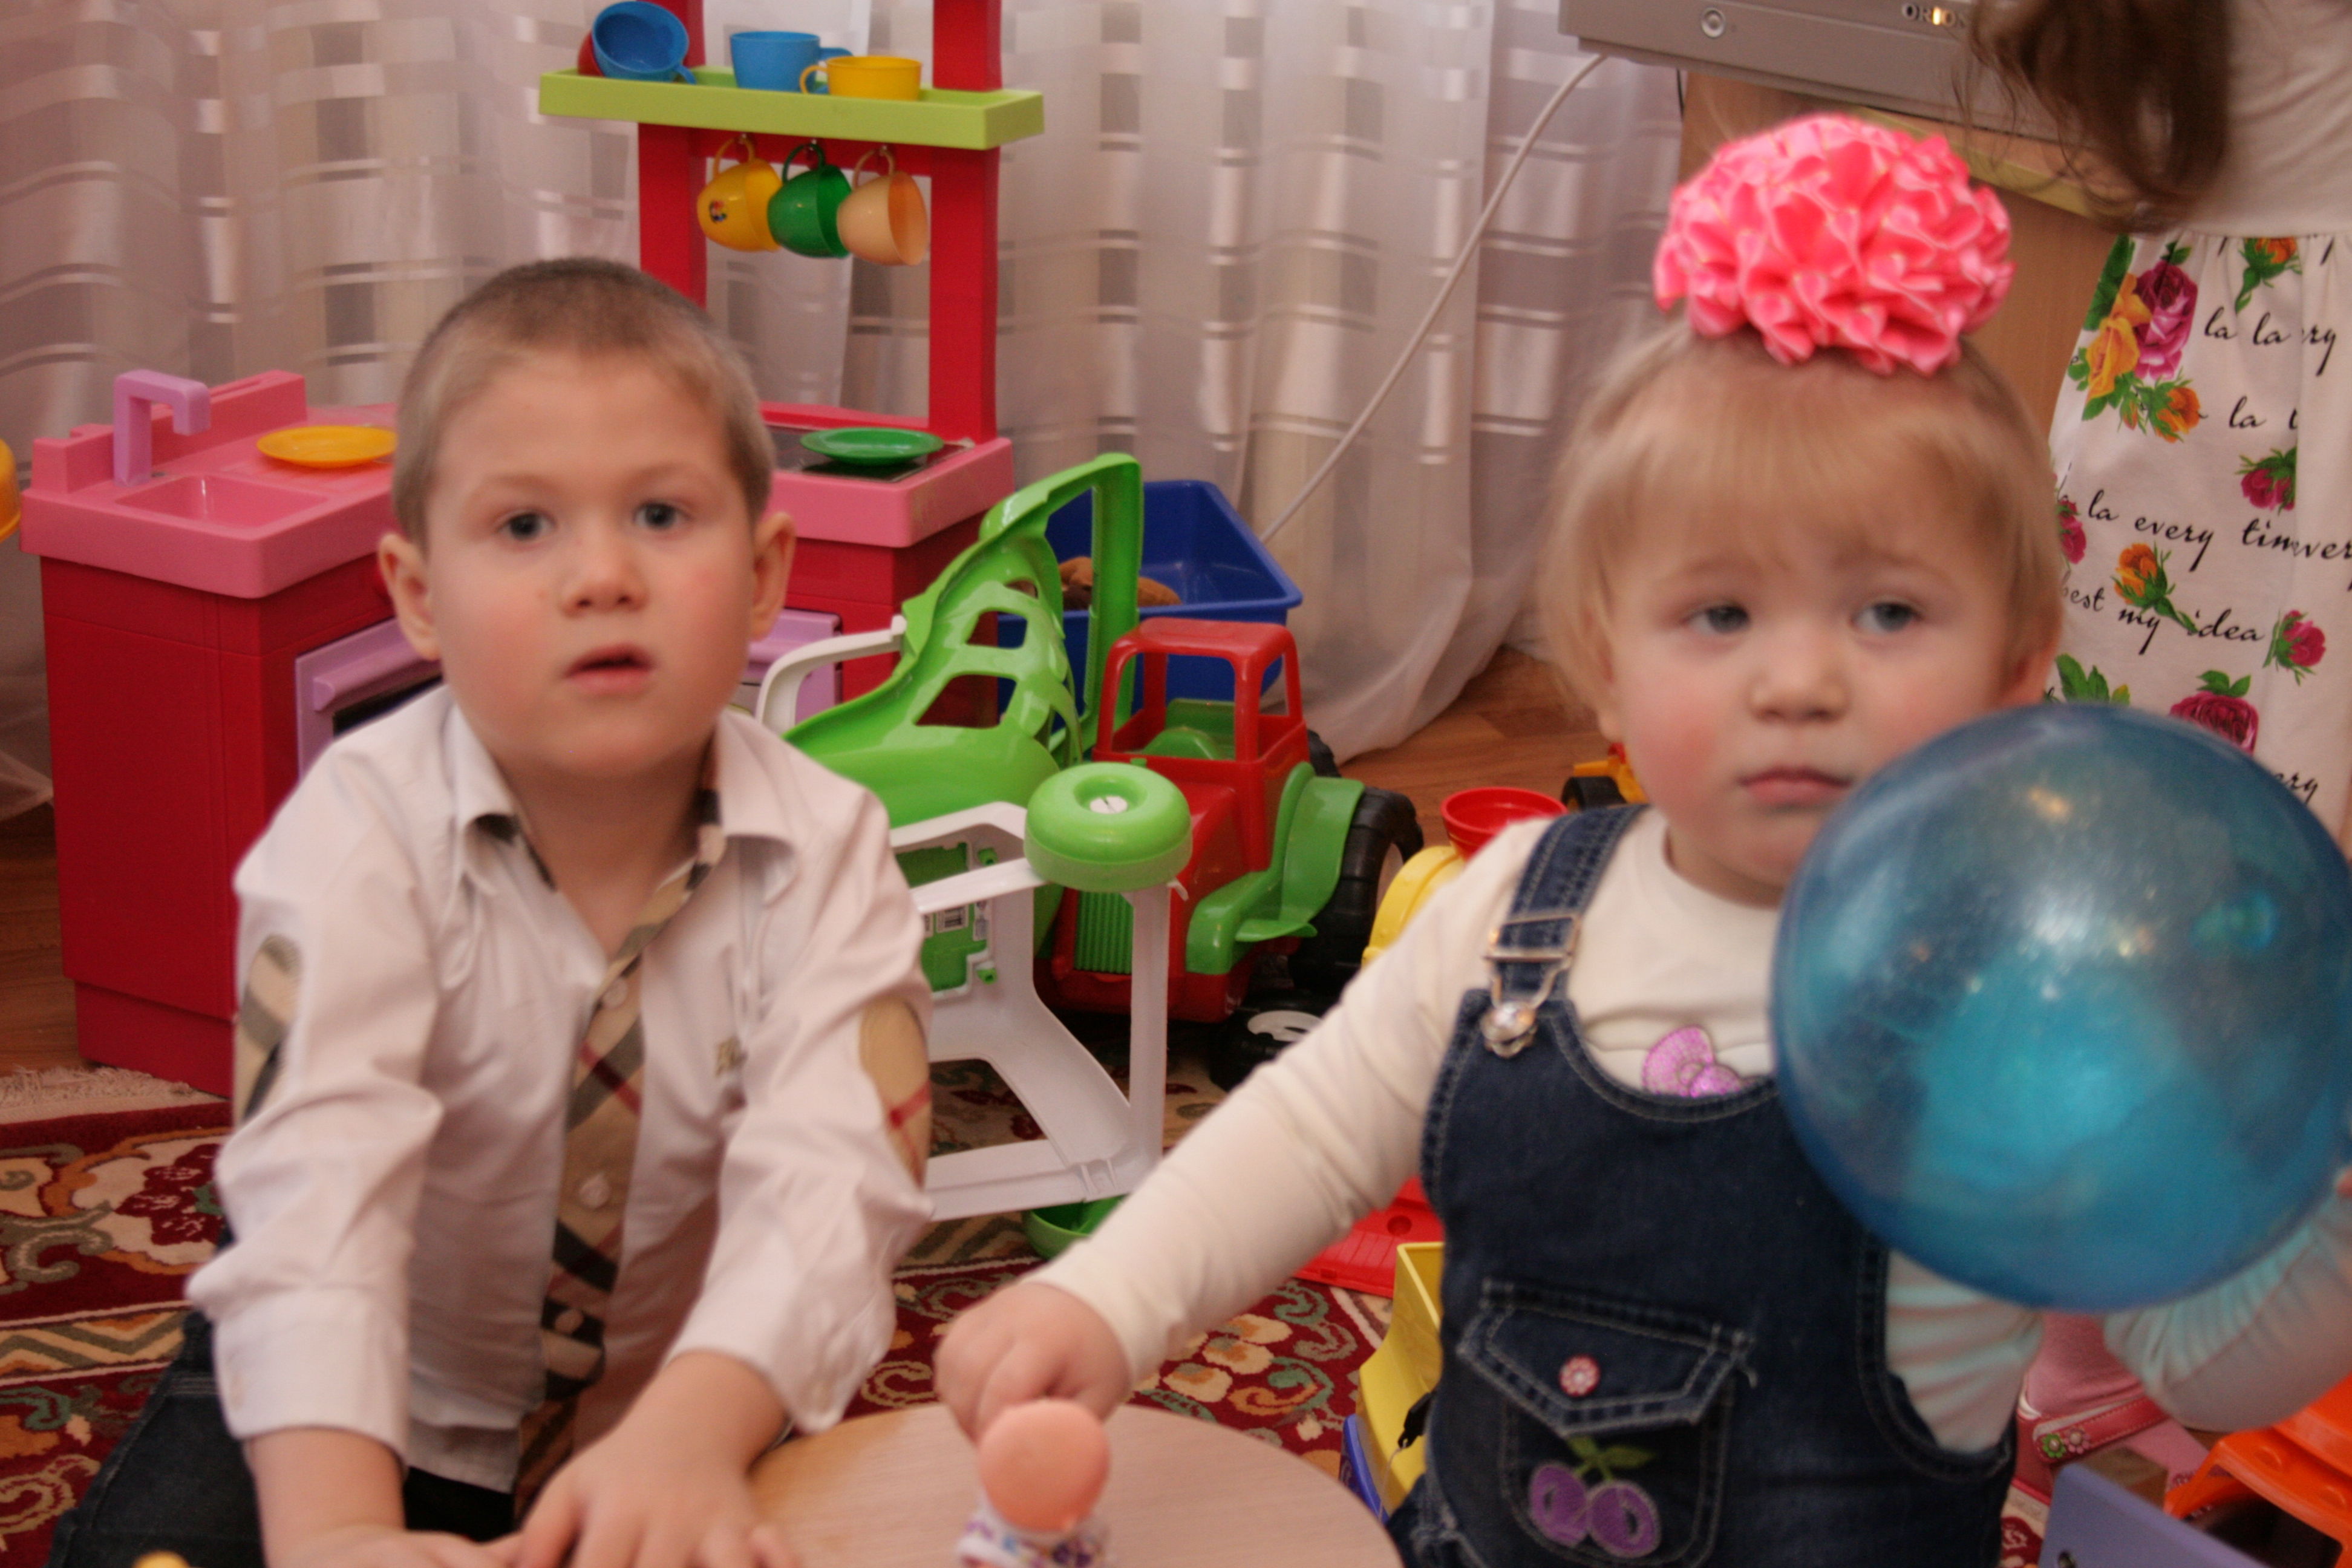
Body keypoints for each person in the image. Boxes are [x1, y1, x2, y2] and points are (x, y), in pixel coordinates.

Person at [935, 117, 2352, 1567]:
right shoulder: (1514, 913)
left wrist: (2315, 1208)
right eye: (1721, 613)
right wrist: (1106, 1299)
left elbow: (2213, 1369)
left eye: (1887, 612)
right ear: (1605, 663)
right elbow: (1307, 1134)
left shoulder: (2033, 994)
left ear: (2017, 663)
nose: (1797, 680)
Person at [47, 258, 938, 1568]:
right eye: (525, 527)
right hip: (375, 1400)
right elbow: (320, 1191)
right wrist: (339, 1527)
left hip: (686, 1405)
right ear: (418, 597)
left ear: (763, 575)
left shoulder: (831, 849)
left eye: (661, 514)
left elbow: (840, 1175)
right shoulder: (355, 835)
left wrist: (692, 1434)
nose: (601, 575)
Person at [1975, 0, 2352, 1492]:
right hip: (2282, 399)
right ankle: (2137, 1341)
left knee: (2141, 895)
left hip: (2184, 376)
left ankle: (2077, 1351)